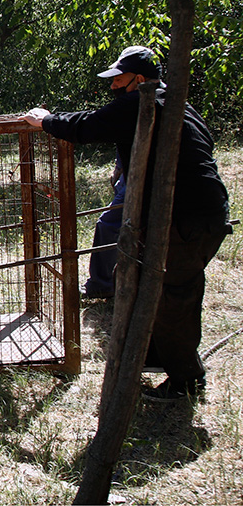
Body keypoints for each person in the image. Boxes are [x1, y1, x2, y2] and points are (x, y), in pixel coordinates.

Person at [22, 45, 231, 402]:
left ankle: (186, 381)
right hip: (199, 214)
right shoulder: (176, 103)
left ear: (139, 79)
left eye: (119, 79)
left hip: (187, 218)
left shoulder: (143, 102)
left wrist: (46, 121)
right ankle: (154, 356)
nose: (113, 86)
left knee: (173, 298)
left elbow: (89, 125)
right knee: (137, 277)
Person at [82, 154, 126, 300]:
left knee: (107, 223)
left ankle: (102, 284)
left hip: (142, 175)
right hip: (127, 174)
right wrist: (119, 169)